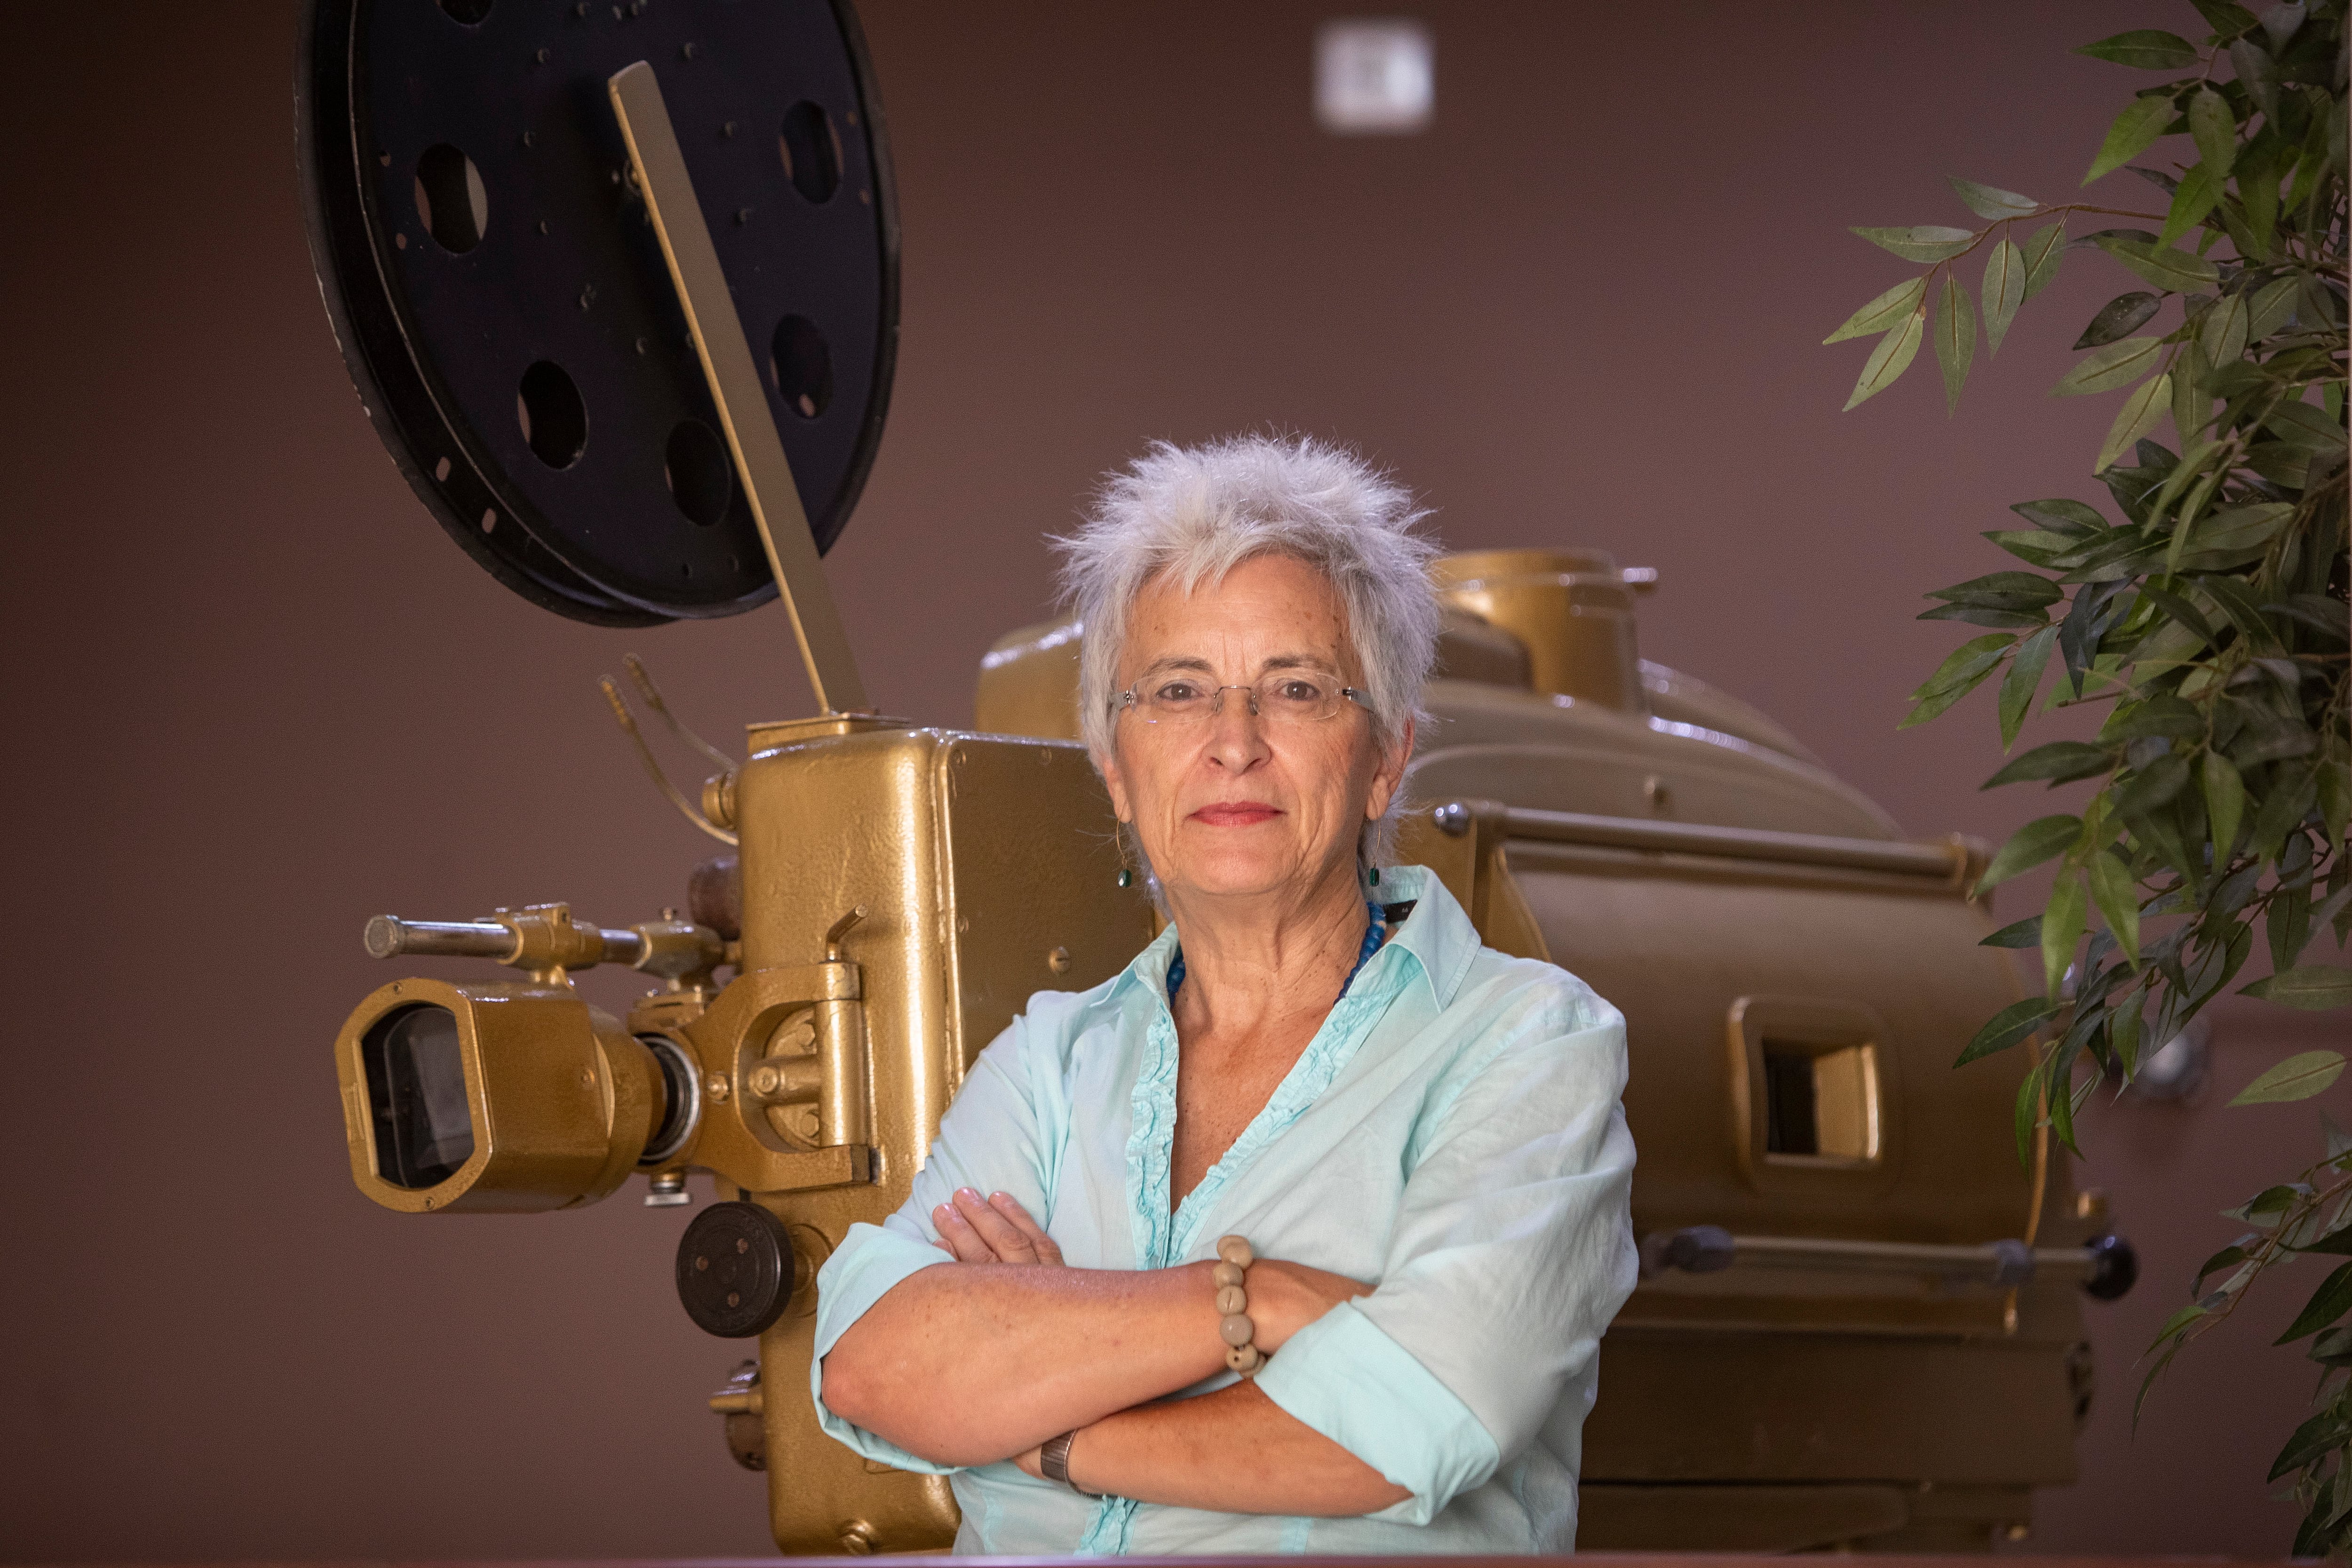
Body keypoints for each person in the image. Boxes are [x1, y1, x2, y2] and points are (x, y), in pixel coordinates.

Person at [812, 433, 1637, 1554]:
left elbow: (1412, 1417)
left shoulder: (1527, 1043)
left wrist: (1046, 1426)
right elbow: (873, 1361)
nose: (1232, 743)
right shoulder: (1051, 1060)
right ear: (1115, 763)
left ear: (1386, 755)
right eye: (1178, 691)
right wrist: (1253, 1298)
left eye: (1294, 689)